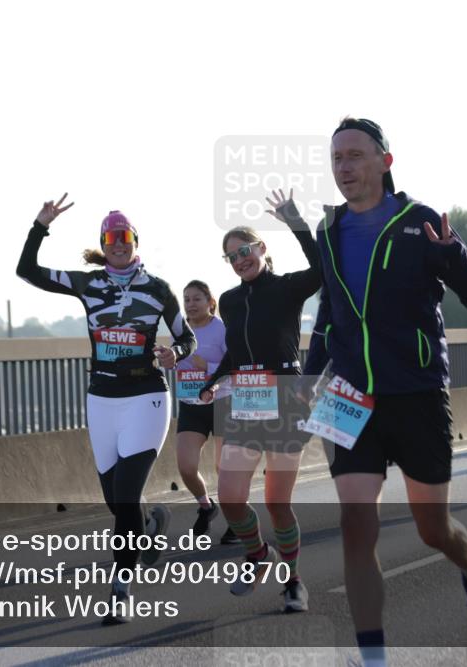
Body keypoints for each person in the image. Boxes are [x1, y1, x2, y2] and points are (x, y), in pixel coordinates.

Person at [303, 117, 467, 665]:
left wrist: (451, 257)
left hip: (417, 392)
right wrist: (307, 377)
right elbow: (330, 311)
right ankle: (374, 657)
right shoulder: (328, 229)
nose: (344, 167)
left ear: (385, 162)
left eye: (355, 155)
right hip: (347, 393)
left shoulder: (421, 222)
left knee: (433, 529)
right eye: (336, 158)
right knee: (354, 526)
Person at [16, 196, 195, 625]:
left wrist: (176, 355)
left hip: (147, 398)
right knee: (117, 502)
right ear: (103, 244)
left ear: (136, 241)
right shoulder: (88, 284)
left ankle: (120, 590)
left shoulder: (158, 289)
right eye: (111, 238)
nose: (118, 243)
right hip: (101, 400)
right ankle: (150, 525)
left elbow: (185, 337)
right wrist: (40, 225)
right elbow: (27, 271)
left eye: (124, 236)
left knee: (127, 495)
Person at [198, 188, 320, 613]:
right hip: (246, 400)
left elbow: (323, 269)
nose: (239, 259)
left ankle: (294, 581)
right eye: (231, 256)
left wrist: (296, 222)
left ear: (261, 248)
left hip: (286, 399)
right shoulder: (230, 301)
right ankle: (257, 554)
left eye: (244, 250)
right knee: (230, 497)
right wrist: (214, 380)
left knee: (277, 502)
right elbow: (235, 351)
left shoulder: (287, 288)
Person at [174, 279, 239, 545]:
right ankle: (206, 506)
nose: (191, 304)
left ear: (210, 303)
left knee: (224, 468)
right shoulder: (180, 330)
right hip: (191, 404)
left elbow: (235, 366)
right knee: (186, 466)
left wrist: (208, 367)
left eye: (197, 299)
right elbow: (178, 363)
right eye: (187, 299)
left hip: (223, 402)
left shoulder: (222, 329)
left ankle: (237, 521)